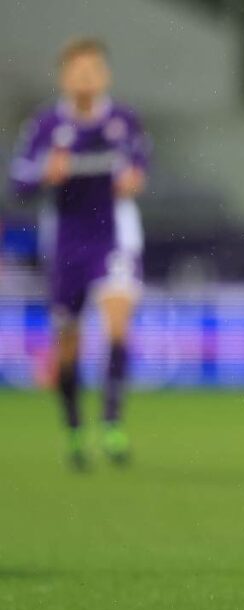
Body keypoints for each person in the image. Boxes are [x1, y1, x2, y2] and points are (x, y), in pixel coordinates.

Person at [9, 38, 149, 470]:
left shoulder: (122, 120)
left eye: (93, 70)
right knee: (67, 344)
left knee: (117, 326)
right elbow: (18, 183)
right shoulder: (46, 125)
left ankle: (111, 424)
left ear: (104, 75)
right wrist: (42, 176)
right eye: (78, 71)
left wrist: (133, 178)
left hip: (114, 236)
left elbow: (142, 164)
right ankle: (73, 430)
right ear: (65, 77)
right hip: (67, 241)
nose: (86, 78)